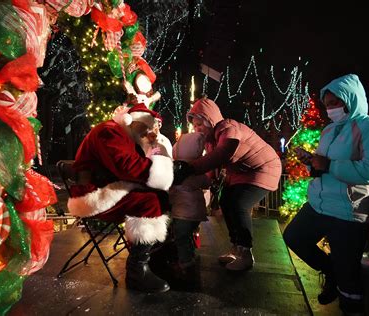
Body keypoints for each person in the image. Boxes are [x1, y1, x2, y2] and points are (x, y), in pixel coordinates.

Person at [283, 74, 369, 314]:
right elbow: (324, 164)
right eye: (327, 104)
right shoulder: (329, 130)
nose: (330, 109)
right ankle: (331, 272)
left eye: (335, 103)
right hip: (319, 204)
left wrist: (328, 165)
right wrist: (311, 162)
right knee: (294, 237)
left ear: (350, 99)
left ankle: (350, 305)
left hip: (349, 213)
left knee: (348, 276)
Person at [66, 103, 174, 293]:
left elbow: (135, 167)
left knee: (159, 196)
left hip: (107, 187)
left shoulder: (125, 135)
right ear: (131, 121)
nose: (148, 132)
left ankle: (149, 256)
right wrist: (164, 171)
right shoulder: (109, 132)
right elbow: (127, 166)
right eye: (145, 127)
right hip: (92, 196)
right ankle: (136, 273)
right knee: (150, 201)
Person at [175, 97, 282, 271]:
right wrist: (201, 180)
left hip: (263, 168)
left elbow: (223, 154)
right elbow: (212, 166)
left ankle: (246, 254)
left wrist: (189, 169)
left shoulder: (228, 128)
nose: (197, 129)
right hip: (243, 173)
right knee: (226, 202)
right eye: (194, 126)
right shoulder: (211, 142)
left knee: (239, 203)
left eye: (200, 124)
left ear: (210, 119)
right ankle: (236, 248)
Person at [169, 133, 211, 273]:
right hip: (197, 211)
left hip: (182, 213)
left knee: (181, 237)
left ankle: (185, 262)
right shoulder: (197, 172)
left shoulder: (176, 172)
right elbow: (206, 183)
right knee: (188, 235)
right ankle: (191, 256)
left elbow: (170, 191)